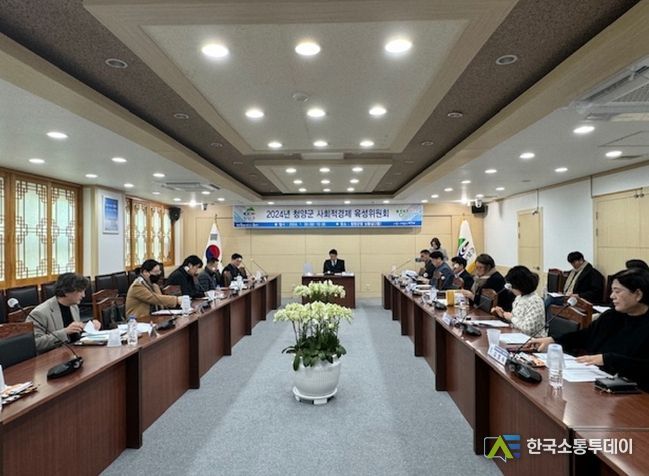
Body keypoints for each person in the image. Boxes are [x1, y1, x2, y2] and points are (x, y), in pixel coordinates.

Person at [531, 268, 649, 390]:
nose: (611, 296)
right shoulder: (611, 316)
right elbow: (585, 336)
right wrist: (553, 340)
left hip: (636, 392)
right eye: (612, 291)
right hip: (596, 382)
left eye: (617, 291)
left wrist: (608, 359)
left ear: (638, 294)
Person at [26, 273, 101, 353]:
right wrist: (65, 332)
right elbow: (35, 344)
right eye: (80, 291)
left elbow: (74, 332)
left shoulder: (73, 306)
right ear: (66, 292)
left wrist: (88, 326)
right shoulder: (39, 313)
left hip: (74, 351)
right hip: (54, 356)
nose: (83, 295)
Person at [492, 266, 546, 336]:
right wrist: (503, 314)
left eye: (511, 286)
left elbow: (527, 329)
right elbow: (516, 320)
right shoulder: (519, 297)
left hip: (533, 340)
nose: (510, 289)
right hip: (516, 335)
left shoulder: (535, 301)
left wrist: (511, 318)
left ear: (520, 285)